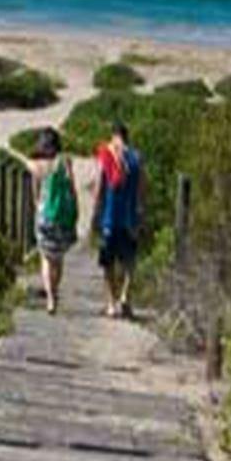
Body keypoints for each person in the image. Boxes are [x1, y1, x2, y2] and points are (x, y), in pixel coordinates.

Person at [93, 120, 144, 318]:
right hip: (129, 217)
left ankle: (111, 303)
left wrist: (96, 212)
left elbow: (99, 185)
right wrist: (140, 212)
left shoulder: (105, 154)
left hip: (109, 216)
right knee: (130, 259)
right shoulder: (137, 157)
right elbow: (141, 188)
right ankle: (126, 296)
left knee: (108, 262)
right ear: (126, 136)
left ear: (113, 135)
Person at [25, 127, 77, 315]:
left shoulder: (35, 165)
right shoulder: (65, 161)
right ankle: (55, 289)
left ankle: (50, 298)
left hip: (44, 214)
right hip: (62, 216)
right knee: (59, 258)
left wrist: (38, 208)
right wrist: (75, 209)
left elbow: (34, 193)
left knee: (46, 257)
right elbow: (71, 187)